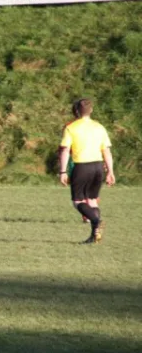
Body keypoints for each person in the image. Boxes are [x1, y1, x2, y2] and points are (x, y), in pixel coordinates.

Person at [58, 98, 115, 244]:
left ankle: (96, 221)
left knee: (77, 202)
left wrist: (63, 171)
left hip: (82, 167)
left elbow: (65, 150)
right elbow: (107, 151)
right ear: (91, 110)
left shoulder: (71, 127)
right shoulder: (99, 127)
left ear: (76, 110)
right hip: (97, 167)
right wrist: (110, 171)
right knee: (92, 200)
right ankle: (94, 236)